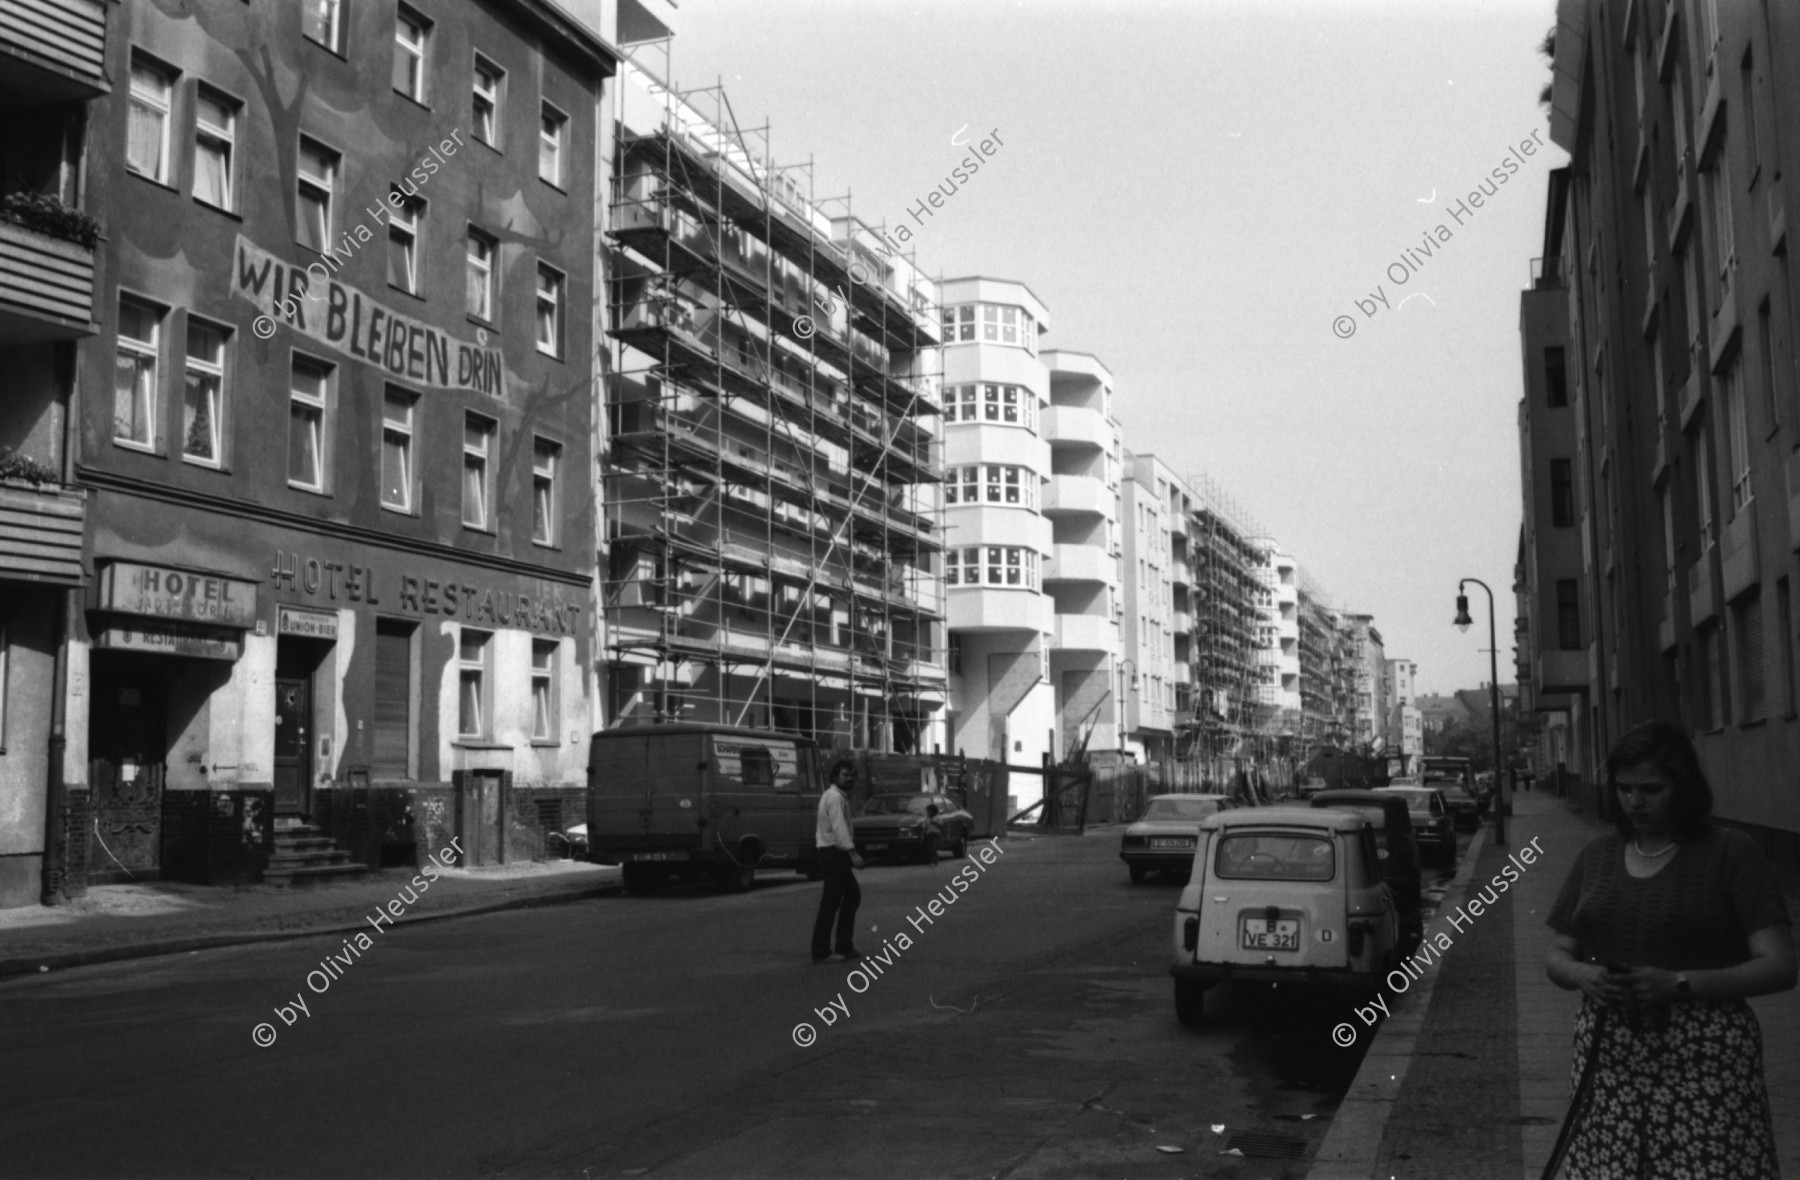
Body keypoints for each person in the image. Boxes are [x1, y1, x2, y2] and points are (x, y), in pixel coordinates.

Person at [1544, 721, 1796, 1179]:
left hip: (1705, 1062)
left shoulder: (1730, 853)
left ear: (1683, 787)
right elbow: (1558, 953)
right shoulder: (1597, 856)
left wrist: (1679, 983)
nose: (1634, 801)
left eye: (1650, 789)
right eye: (1624, 789)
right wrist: (1582, 975)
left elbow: (1779, 965)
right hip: (1610, 1063)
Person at [811, 757, 864, 964]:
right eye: (845, 775)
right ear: (835, 776)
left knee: (848, 896)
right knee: (836, 900)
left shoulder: (835, 796)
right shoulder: (834, 797)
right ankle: (823, 950)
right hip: (833, 853)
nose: (849, 779)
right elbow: (839, 827)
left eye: (852, 776)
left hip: (832, 853)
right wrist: (853, 853)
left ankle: (842, 945)